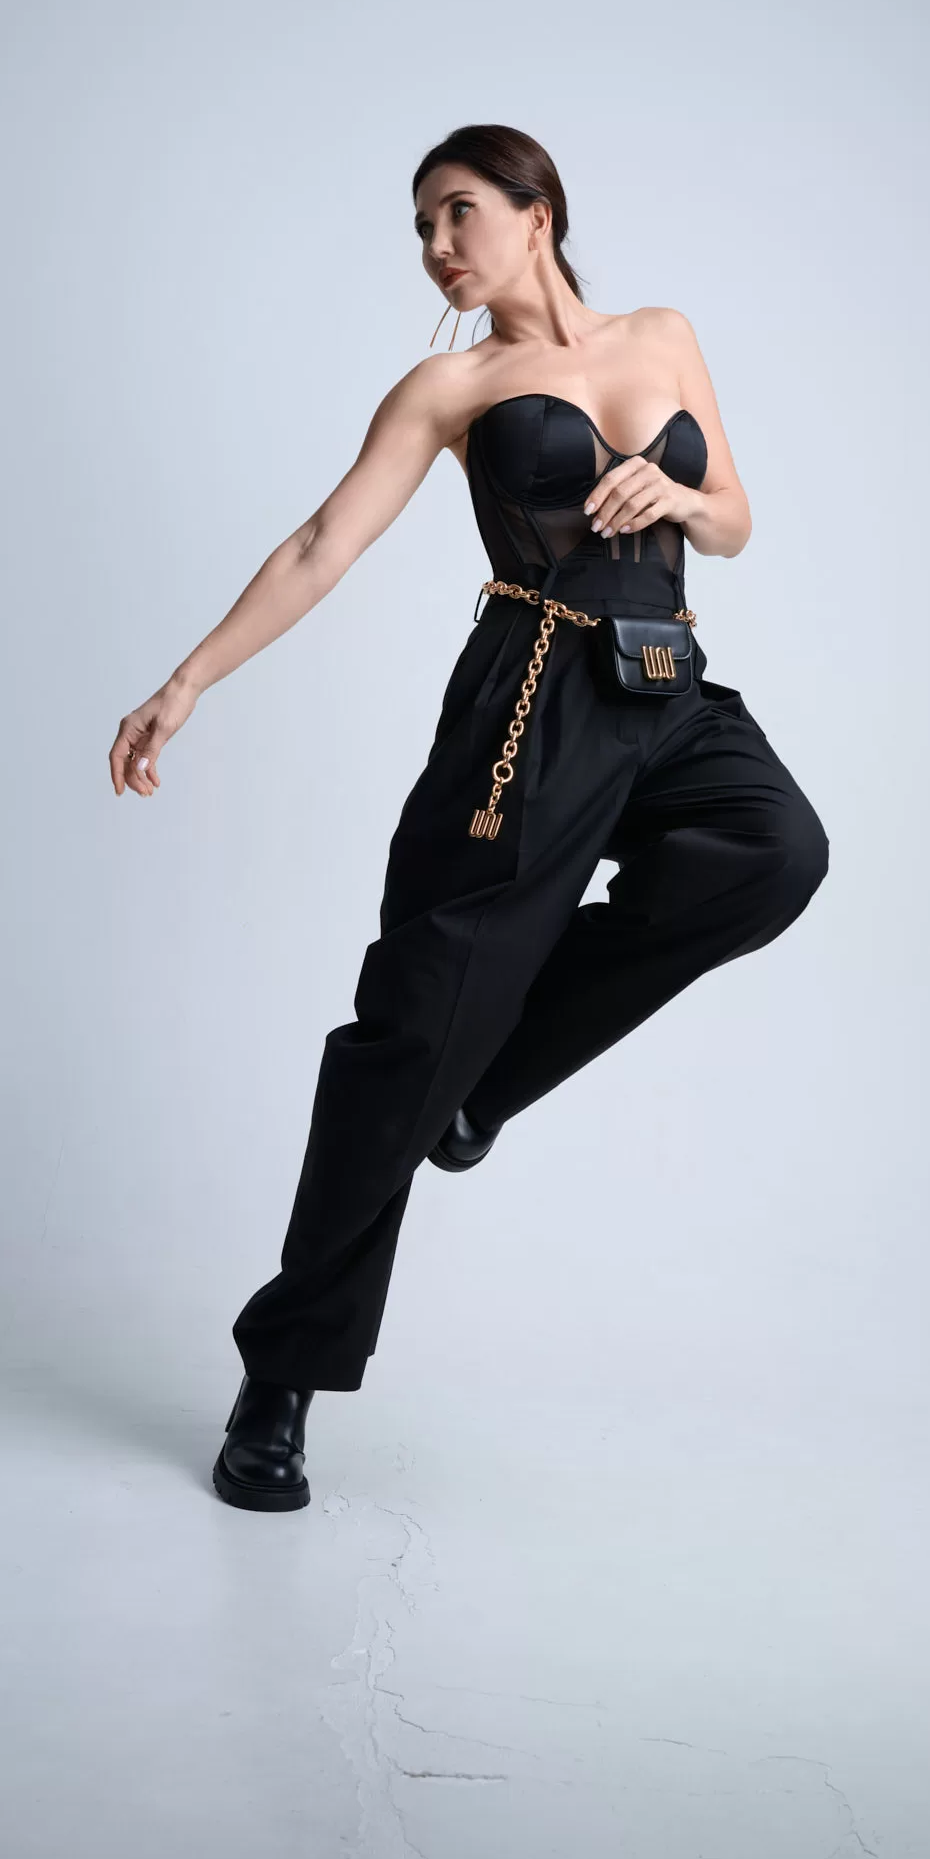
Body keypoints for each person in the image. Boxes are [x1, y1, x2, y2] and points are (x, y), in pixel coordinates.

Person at [108, 123, 830, 1514]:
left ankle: (487, 1089)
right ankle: (282, 1378)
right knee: (409, 1037)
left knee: (776, 852)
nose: (437, 246)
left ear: (536, 210)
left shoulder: (665, 334)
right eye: (421, 228)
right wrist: (186, 681)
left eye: (458, 212)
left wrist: (679, 493)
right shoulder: (451, 386)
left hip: (667, 689)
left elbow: (734, 519)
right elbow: (322, 542)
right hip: (530, 707)